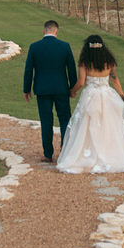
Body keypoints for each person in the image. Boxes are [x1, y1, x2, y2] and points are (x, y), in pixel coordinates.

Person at [57, 35, 124, 174]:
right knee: (108, 125)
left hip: (90, 96)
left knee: (87, 125)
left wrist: (72, 91)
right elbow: (115, 79)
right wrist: (123, 96)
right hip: (107, 95)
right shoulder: (109, 61)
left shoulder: (84, 62)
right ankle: (109, 153)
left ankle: (88, 154)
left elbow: (80, 82)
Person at [23, 20, 78, 163]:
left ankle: (48, 154)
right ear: (56, 31)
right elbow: (71, 69)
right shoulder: (65, 46)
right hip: (61, 89)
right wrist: (73, 88)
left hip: (42, 89)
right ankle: (64, 151)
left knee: (46, 121)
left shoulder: (34, 47)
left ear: (44, 31)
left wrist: (26, 89)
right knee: (65, 119)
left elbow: (29, 69)